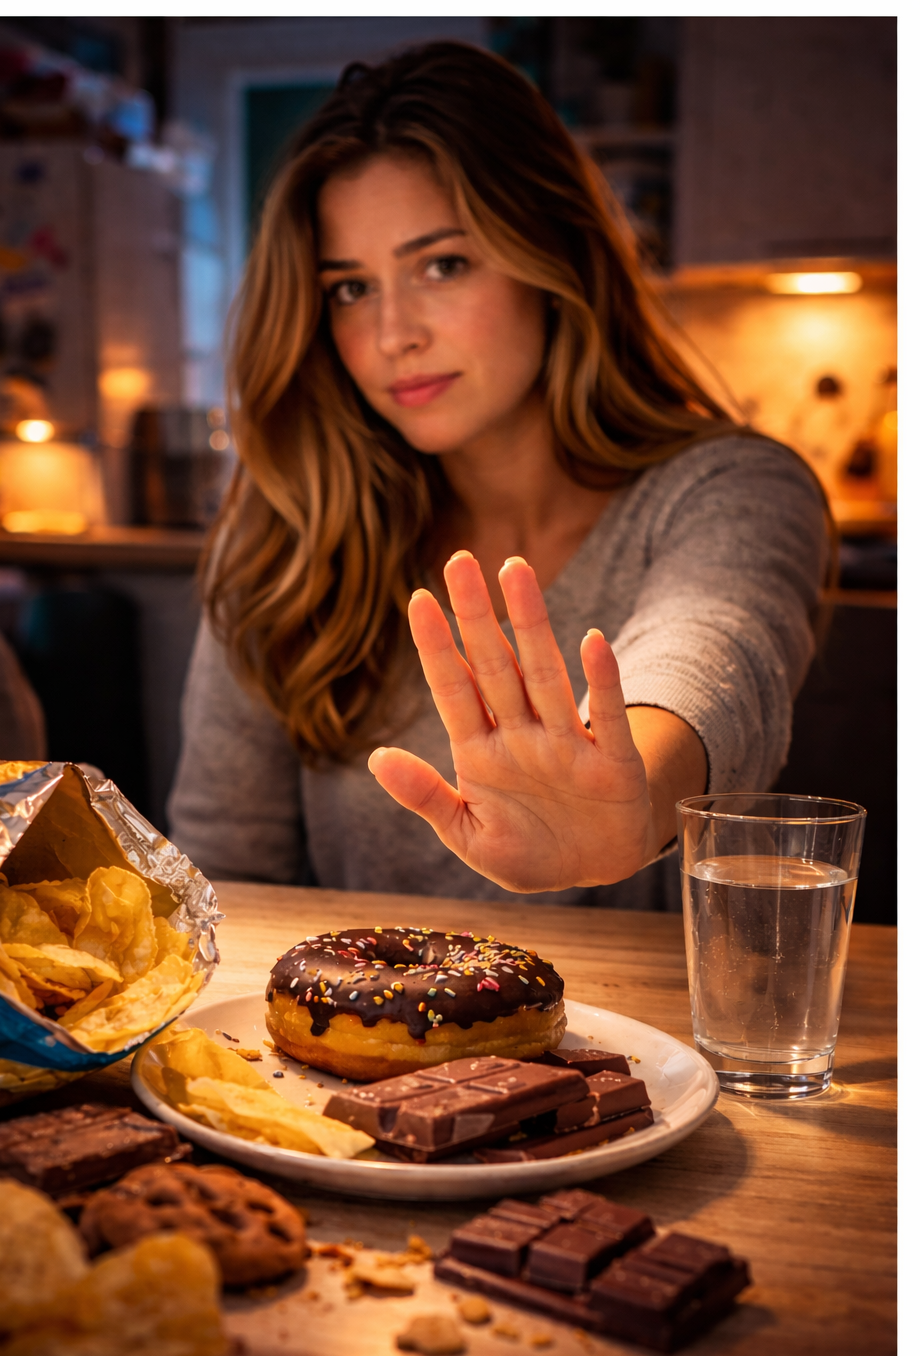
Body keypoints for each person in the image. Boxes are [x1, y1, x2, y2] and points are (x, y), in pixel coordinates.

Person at [168, 41, 829, 910]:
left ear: (552, 258)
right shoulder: (289, 523)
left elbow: (712, 650)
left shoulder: (731, 490)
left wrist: (628, 796)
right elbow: (224, 878)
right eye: (350, 289)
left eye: (442, 265)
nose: (394, 334)